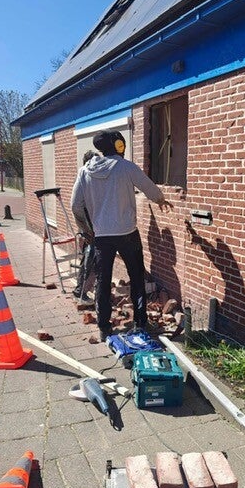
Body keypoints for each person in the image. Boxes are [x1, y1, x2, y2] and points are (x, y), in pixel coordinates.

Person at [71, 129, 173, 341]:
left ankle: (104, 327)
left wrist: (88, 229)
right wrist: (160, 200)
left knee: (103, 281)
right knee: (136, 278)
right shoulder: (126, 167)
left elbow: (76, 206)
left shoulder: (84, 171)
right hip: (127, 234)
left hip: (101, 237)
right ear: (119, 145)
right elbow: (150, 189)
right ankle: (140, 323)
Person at [72, 151, 96, 304]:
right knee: (90, 259)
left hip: (90, 226)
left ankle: (83, 290)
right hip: (90, 228)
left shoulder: (87, 179)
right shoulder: (85, 179)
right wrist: (86, 230)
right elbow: (76, 206)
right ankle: (81, 292)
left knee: (90, 259)